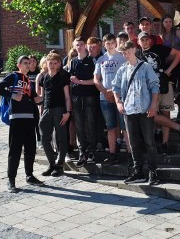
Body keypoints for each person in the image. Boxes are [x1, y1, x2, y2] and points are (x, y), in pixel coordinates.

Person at [112, 40, 161, 186]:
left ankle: (153, 172)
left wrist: (153, 105)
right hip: (129, 110)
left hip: (145, 109)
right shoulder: (122, 69)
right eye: (123, 53)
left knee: (149, 142)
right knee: (133, 143)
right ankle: (138, 171)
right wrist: (118, 102)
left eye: (127, 52)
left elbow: (154, 86)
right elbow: (115, 87)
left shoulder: (145, 67)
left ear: (134, 50)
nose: (126, 55)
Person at [0, 55, 43, 192]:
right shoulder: (13, 77)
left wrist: (40, 99)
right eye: (25, 63)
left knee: (30, 149)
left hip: (30, 119)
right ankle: (11, 181)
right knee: (15, 150)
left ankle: (29, 175)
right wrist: (13, 96)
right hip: (16, 118)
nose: (28, 65)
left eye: (29, 63)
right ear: (19, 65)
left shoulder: (28, 80)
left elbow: (33, 98)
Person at [137, 31, 180, 153]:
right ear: (138, 42)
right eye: (142, 40)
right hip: (149, 90)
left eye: (147, 39)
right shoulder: (137, 54)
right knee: (151, 115)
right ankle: (177, 126)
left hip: (164, 84)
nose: (145, 41)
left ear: (150, 40)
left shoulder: (159, 48)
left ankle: (165, 144)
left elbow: (178, 54)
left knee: (165, 114)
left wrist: (169, 69)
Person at [94, 33, 128, 165]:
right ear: (104, 44)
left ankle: (131, 155)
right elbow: (96, 79)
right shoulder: (101, 60)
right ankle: (112, 154)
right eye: (106, 43)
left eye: (111, 42)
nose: (109, 45)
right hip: (105, 98)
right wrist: (105, 91)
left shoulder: (122, 58)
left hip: (120, 96)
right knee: (111, 127)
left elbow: (126, 77)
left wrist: (114, 92)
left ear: (115, 43)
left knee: (125, 127)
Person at [38, 52, 72, 177]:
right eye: (50, 63)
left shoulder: (63, 76)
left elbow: (67, 96)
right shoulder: (44, 77)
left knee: (61, 138)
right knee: (44, 137)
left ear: (59, 64)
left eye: (55, 63)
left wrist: (68, 112)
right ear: (46, 64)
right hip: (47, 110)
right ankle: (51, 163)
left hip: (60, 110)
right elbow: (42, 97)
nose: (52, 65)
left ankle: (60, 165)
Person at [69, 36, 98, 167]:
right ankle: (82, 152)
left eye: (81, 44)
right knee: (79, 125)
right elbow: (70, 79)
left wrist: (80, 82)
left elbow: (95, 80)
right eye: (77, 45)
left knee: (91, 124)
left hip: (89, 96)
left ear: (85, 46)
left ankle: (92, 150)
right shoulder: (73, 61)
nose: (79, 47)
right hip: (76, 97)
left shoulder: (92, 61)